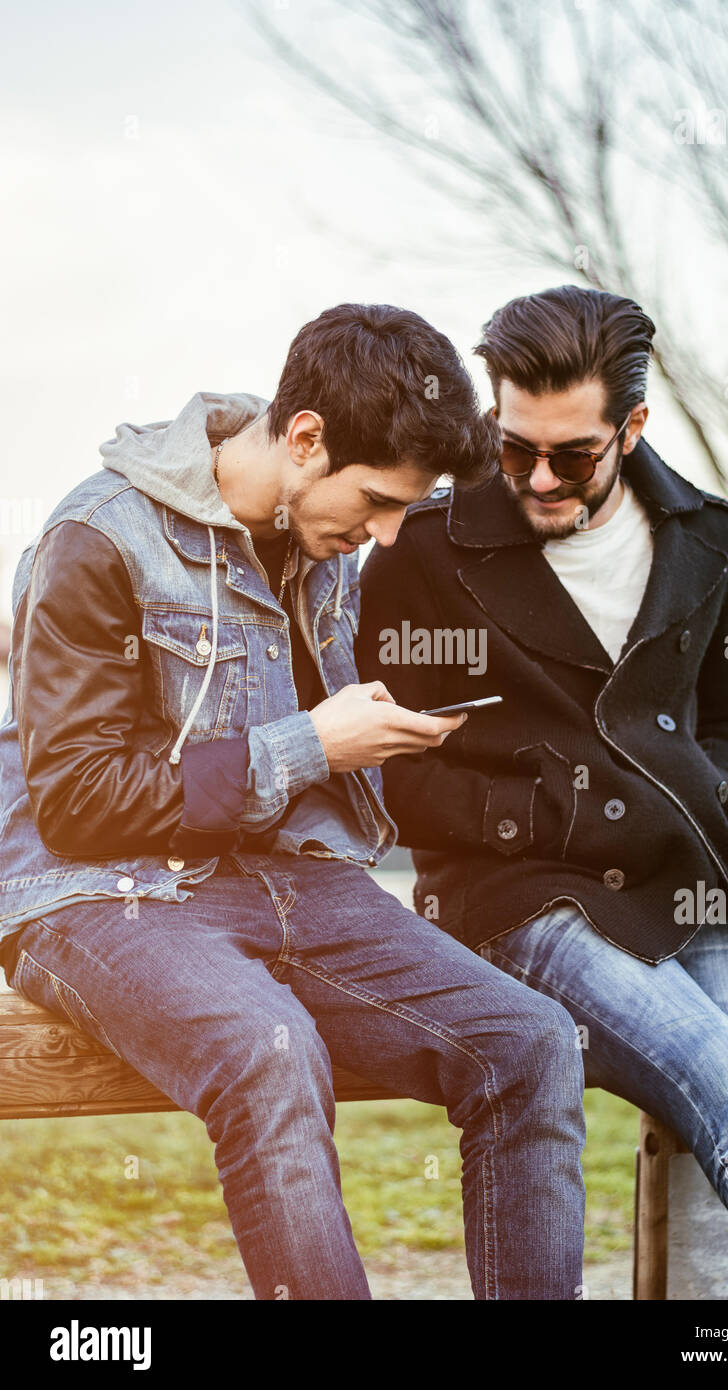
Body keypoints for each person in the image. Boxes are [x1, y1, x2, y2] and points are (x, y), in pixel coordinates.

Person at [0, 303, 586, 1301]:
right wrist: (310, 743)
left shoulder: (320, 545)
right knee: (269, 1052)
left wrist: (391, 731)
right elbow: (78, 801)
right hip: (95, 890)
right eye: (379, 499)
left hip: (285, 876)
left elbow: (302, 746)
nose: (388, 530)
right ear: (306, 439)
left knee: (528, 1044)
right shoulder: (95, 538)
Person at [356, 285, 728, 1301]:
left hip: (695, 889)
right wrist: (529, 816)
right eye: (513, 446)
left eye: (571, 454)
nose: (536, 477)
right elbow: (378, 762)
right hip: (526, 898)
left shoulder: (703, 537)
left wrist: (700, 798)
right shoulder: (421, 546)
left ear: (631, 427)